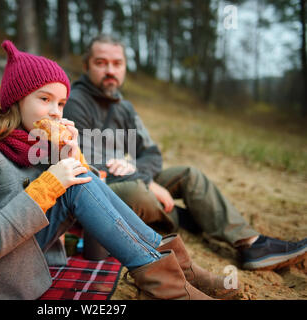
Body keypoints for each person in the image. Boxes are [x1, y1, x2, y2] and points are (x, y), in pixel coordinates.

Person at [0, 40, 236, 300]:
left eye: (61, 103)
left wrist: (70, 154)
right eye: (44, 99)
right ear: (17, 100)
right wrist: (50, 182)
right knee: (74, 181)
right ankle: (171, 284)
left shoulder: (36, 145)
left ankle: (179, 270)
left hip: (13, 253)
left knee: (81, 177)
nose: (54, 112)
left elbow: (77, 196)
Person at [63, 34, 307, 271]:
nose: (110, 71)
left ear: (125, 66)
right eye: (100, 63)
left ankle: (251, 243)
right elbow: (86, 163)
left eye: (117, 64)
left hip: (133, 178)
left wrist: (141, 173)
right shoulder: (76, 101)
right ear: (86, 66)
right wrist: (144, 181)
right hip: (98, 188)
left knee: (189, 174)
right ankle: (191, 219)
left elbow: (151, 152)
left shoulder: (124, 106)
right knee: (138, 192)